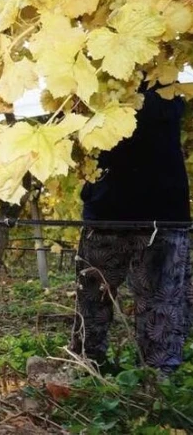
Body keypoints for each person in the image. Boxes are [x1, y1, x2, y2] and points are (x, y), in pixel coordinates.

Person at [71, 79, 192, 376]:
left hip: (162, 216)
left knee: (160, 305)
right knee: (92, 300)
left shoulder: (171, 73)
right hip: (106, 211)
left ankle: (158, 382)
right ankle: (87, 367)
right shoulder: (94, 75)